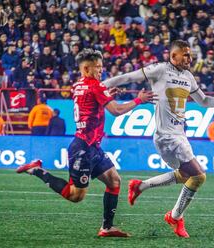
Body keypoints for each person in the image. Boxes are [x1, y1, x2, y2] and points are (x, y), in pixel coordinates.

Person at [103, 40, 214, 238]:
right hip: (166, 136)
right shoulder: (159, 70)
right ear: (172, 56)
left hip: (180, 135)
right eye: (185, 54)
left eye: (190, 54)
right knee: (199, 176)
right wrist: (100, 87)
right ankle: (175, 217)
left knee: (186, 175)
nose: (189, 58)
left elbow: (203, 101)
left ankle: (139, 186)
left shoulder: (188, 77)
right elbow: (128, 77)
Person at [16, 49, 156, 237]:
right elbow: (115, 111)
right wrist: (139, 100)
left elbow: (89, 103)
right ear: (86, 68)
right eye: (97, 67)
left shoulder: (78, 85)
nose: (101, 71)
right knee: (75, 196)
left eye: (101, 66)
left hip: (92, 146)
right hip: (82, 148)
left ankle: (106, 228)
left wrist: (106, 95)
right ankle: (37, 170)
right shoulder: (95, 86)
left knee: (114, 181)